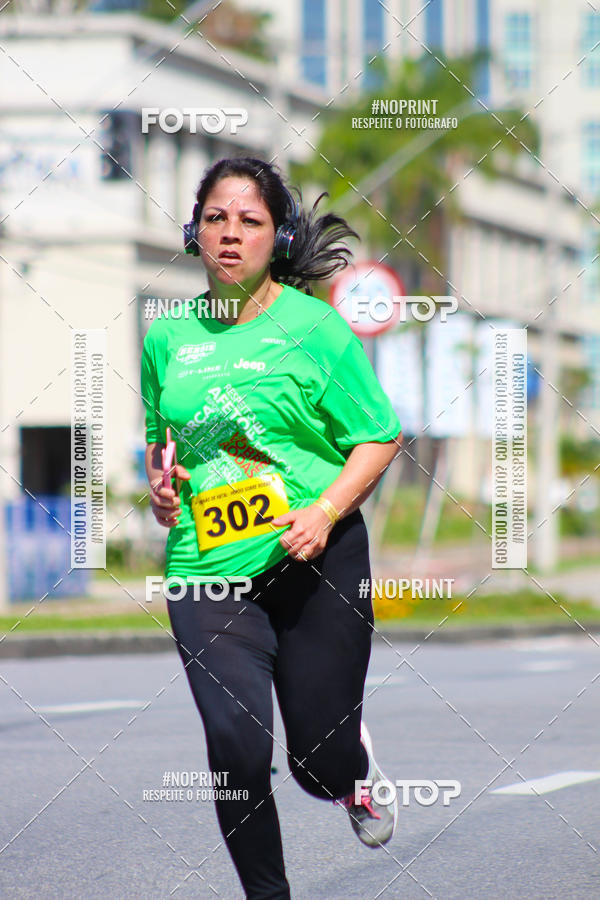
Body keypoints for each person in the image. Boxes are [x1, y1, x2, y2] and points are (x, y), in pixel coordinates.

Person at [141, 156, 403, 900]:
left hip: (317, 557)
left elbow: (379, 436)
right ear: (195, 232)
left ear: (277, 236)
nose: (231, 234)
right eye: (216, 219)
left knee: (318, 766)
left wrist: (324, 510)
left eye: (249, 221)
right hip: (208, 569)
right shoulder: (168, 336)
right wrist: (160, 489)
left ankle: (350, 770)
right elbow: (162, 442)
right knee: (236, 744)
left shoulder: (315, 330)